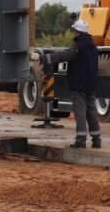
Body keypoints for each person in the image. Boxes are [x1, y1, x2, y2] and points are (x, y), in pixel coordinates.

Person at [42, 19, 101, 149]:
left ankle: (80, 140)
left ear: (77, 32)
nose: (73, 33)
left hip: (78, 84)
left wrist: (44, 58)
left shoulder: (77, 46)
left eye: (74, 31)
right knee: (91, 110)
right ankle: (97, 139)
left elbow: (64, 56)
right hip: (91, 84)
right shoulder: (93, 46)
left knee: (80, 111)